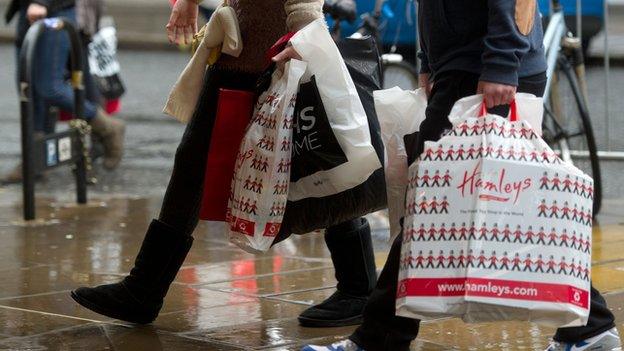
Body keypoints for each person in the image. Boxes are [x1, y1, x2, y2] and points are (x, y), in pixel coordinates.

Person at [303, 0, 621, 350]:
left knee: (428, 207)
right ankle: (591, 328)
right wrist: (431, 60)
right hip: (468, 65)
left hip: (483, 68)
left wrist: (501, 61)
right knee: (498, 209)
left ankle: (377, 340)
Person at [71, 0, 377, 329]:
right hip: (242, 50)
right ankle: (143, 289)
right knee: (195, 164)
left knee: (318, 158)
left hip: (278, 54)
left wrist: (305, 37)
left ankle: (359, 288)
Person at [2, 0, 125, 184]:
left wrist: (40, 1)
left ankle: (108, 128)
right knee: (30, 90)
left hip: (56, 10)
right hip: (30, 10)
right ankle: (34, 162)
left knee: (50, 87)